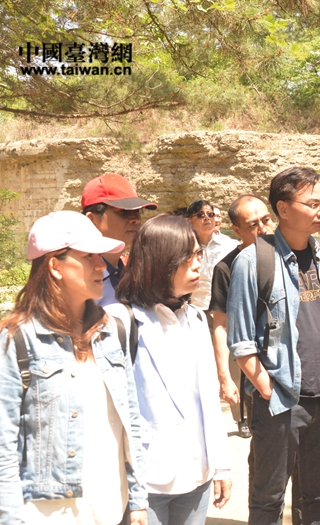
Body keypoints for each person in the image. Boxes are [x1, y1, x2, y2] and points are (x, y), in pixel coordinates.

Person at [0, 210, 148, 525]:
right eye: (88, 256)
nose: (101, 265)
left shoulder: (112, 330)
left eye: (100, 255)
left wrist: (138, 501)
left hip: (114, 511)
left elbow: (130, 422)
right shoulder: (15, 341)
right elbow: (0, 451)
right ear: (54, 266)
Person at [227, 166, 320, 525]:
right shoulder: (253, 261)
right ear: (283, 208)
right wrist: (268, 390)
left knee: (319, 498)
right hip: (282, 403)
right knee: (269, 500)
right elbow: (241, 342)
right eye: (312, 204)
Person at [113, 215, 232, 525]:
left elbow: (208, 400)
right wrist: (132, 490)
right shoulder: (121, 321)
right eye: (186, 257)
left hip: (198, 473)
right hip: (146, 482)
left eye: (198, 254)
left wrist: (221, 465)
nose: (197, 265)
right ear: (160, 261)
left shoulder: (196, 318)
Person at [209, 194, 275, 438]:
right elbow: (221, 325)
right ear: (236, 230)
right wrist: (225, 377)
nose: (263, 229)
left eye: (266, 220)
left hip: (294, 365)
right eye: (252, 225)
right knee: (267, 446)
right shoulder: (226, 269)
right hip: (256, 369)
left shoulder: (288, 257)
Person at [81, 173, 158, 307]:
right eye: (123, 212)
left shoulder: (131, 276)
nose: (135, 219)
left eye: (137, 212)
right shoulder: (79, 282)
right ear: (91, 220)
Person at [186, 200, 238, 311]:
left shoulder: (230, 246)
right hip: (196, 310)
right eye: (200, 215)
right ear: (190, 221)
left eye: (210, 214)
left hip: (225, 310)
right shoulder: (185, 248)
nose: (207, 218)